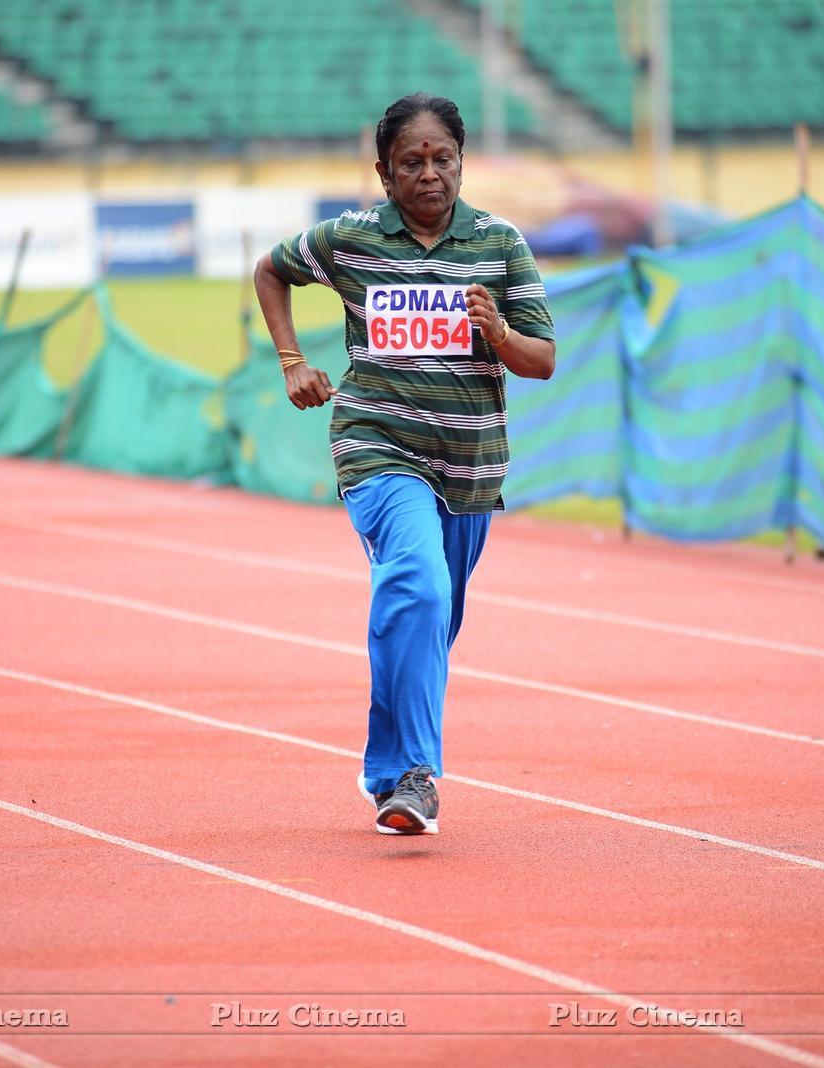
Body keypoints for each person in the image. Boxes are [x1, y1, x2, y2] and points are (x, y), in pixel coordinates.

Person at [253, 92, 556, 836]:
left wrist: (500, 334)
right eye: (411, 163)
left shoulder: (500, 242)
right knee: (416, 586)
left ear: (462, 162)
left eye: (442, 159)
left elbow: (542, 361)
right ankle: (419, 777)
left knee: (428, 621)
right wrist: (293, 360)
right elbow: (270, 270)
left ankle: (386, 768)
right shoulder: (350, 240)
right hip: (378, 446)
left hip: (472, 466)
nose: (429, 175)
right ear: (384, 175)